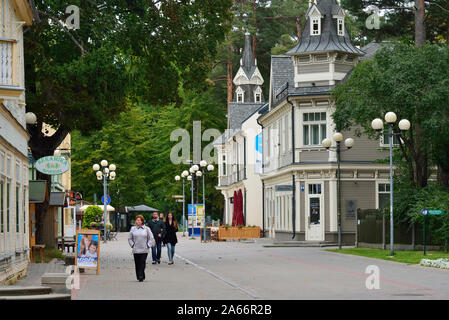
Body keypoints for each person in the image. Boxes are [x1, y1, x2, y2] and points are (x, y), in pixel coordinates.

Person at [128, 215, 155, 282]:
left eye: (139, 220)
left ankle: (141, 276)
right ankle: (138, 275)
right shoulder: (133, 228)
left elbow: (151, 238)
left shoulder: (147, 229)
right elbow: (129, 238)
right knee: (137, 263)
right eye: (136, 220)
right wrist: (132, 245)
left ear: (142, 221)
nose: (137, 221)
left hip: (144, 249)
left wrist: (148, 245)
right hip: (136, 249)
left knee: (142, 262)